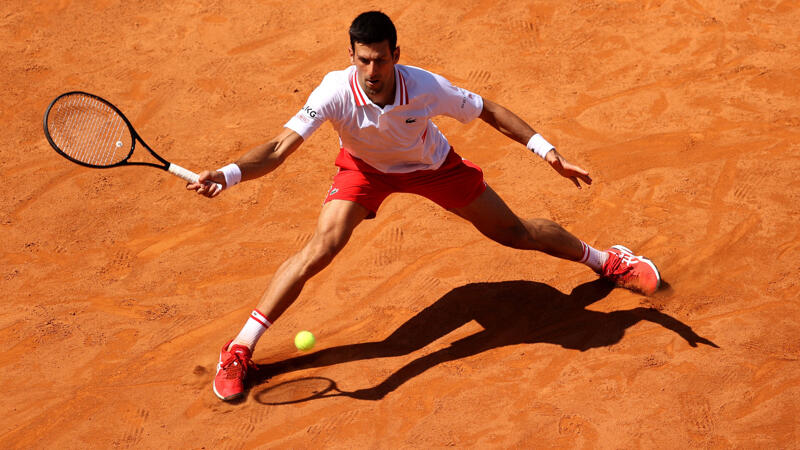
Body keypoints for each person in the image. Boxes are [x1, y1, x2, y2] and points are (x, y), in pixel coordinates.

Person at [187, 11, 661, 402]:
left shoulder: (425, 87)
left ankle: (608, 260)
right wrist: (228, 175)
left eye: (381, 61)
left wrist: (547, 152)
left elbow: (489, 110)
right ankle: (240, 348)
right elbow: (277, 147)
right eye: (364, 61)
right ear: (351, 56)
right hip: (364, 170)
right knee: (320, 249)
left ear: (397, 54)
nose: (373, 73)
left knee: (515, 233)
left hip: (433, 167)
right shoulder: (334, 91)